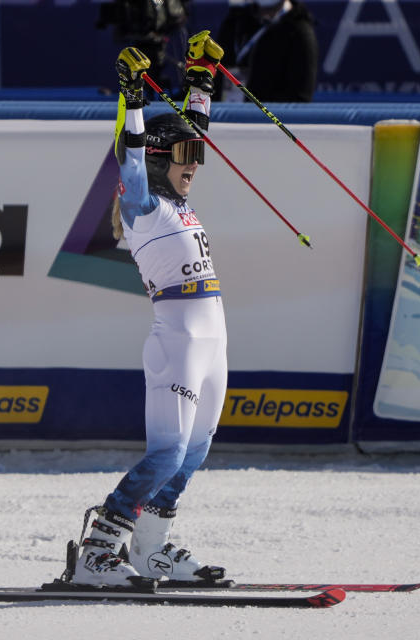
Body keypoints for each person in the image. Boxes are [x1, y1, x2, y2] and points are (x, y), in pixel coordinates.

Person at [67, 31, 229, 588]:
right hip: (177, 341)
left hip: (213, 340)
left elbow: (190, 131)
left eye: (197, 157)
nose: (196, 162)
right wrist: (132, 96)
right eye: (185, 157)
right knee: (166, 454)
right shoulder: (143, 206)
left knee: (195, 451)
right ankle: (97, 553)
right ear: (159, 162)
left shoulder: (179, 199)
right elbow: (133, 152)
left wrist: (201, 76)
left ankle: (151, 547)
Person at [215, 0, 318, 102]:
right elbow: (215, 76)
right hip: (227, 112)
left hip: (265, 116)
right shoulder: (235, 23)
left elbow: (300, 97)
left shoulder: (300, 32)